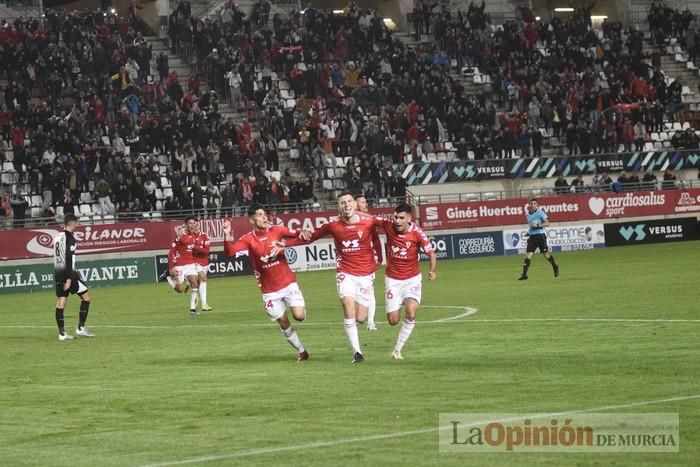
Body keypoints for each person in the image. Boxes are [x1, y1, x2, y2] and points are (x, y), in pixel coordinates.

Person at [286, 191, 379, 363]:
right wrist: (285, 244)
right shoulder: (332, 225)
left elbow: (388, 229)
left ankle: (358, 341)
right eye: (342, 202)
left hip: (364, 275)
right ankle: (357, 352)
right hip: (345, 273)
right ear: (339, 207)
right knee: (348, 307)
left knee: (360, 318)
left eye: (349, 201)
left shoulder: (368, 222)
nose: (346, 205)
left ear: (355, 204)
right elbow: (310, 238)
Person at [222, 205, 309, 362]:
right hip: (269, 291)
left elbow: (298, 234)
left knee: (299, 316)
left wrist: (299, 234)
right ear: (252, 220)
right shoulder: (248, 239)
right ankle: (302, 351)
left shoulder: (277, 230)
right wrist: (227, 235)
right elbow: (230, 252)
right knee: (284, 323)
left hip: (288, 283)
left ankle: (300, 308)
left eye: (265, 215)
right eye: (260, 215)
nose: (264, 218)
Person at [358, 203, 437, 360]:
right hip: (393, 280)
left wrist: (432, 270)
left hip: (412, 279)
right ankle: (397, 304)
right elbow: (372, 218)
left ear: (409, 218)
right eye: (395, 217)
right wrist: (355, 211)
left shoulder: (417, 233)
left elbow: (432, 254)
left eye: (401, 218)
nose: (397, 221)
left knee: (411, 313)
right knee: (393, 320)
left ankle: (397, 350)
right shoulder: (388, 226)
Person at [53, 214, 94, 340]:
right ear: (72, 224)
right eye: (76, 223)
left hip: (58, 272)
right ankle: (80, 329)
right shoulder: (70, 238)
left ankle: (62, 334)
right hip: (69, 273)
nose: (77, 225)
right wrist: (70, 278)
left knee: (61, 303)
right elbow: (69, 258)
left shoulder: (57, 237)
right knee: (86, 297)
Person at [354, 194, 383, 331]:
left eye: (366, 202)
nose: (366, 204)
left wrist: (380, 255)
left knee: (369, 289)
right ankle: (359, 316)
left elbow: (376, 239)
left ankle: (370, 321)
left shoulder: (369, 220)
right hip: (352, 260)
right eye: (362, 202)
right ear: (355, 204)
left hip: (367, 259)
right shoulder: (350, 218)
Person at [165, 216, 201, 316]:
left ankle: (192, 310)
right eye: (190, 223)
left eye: (194, 223)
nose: (192, 225)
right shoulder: (180, 236)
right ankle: (168, 277)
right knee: (180, 290)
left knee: (195, 283)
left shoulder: (195, 235)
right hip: (180, 265)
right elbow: (171, 250)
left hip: (190, 264)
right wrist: (171, 266)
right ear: (186, 225)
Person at [518, 198, 559, 281]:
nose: (533, 204)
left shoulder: (540, 213)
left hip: (540, 236)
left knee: (546, 254)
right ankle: (525, 275)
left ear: (537, 205)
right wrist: (529, 232)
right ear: (529, 204)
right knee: (528, 255)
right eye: (531, 203)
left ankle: (554, 266)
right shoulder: (527, 214)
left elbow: (547, 223)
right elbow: (530, 225)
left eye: (534, 203)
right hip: (532, 237)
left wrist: (537, 225)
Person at [192, 219, 213, 312]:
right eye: (194, 224)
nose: (196, 226)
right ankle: (204, 304)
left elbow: (207, 251)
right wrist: (201, 248)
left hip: (204, 262)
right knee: (204, 279)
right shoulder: (190, 236)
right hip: (194, 261)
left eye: (197, 224)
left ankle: (194, 300)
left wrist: (195, 247)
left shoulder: (204, 235)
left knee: (199, 283)